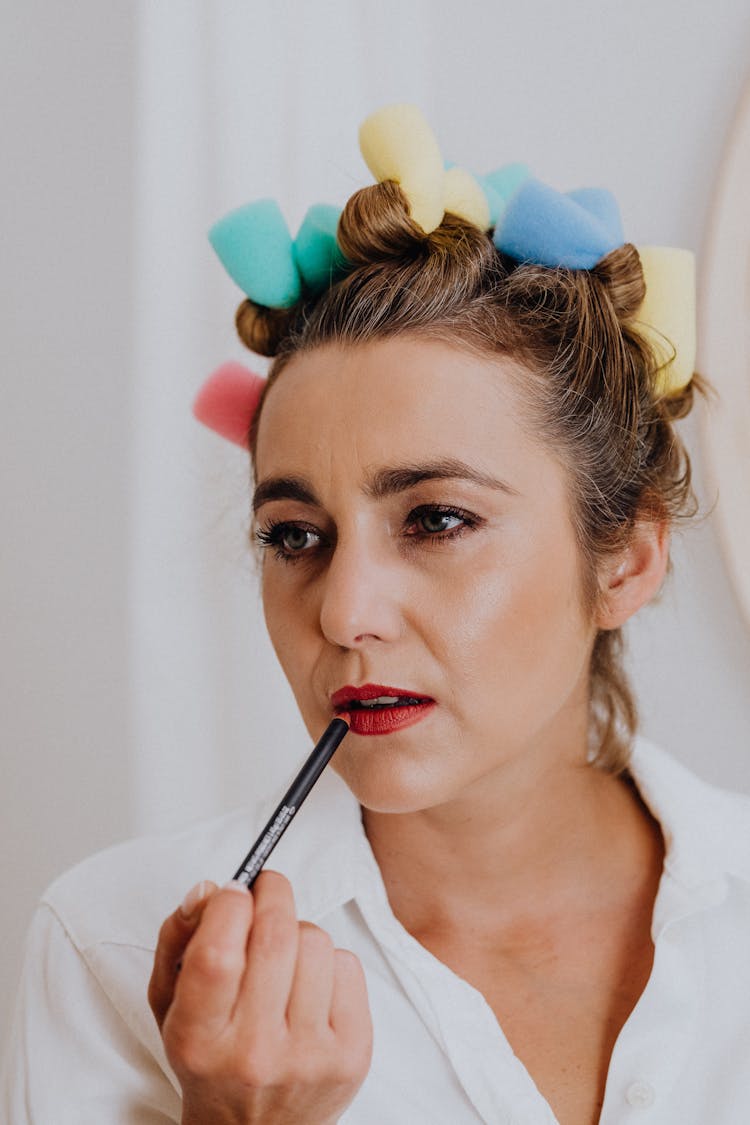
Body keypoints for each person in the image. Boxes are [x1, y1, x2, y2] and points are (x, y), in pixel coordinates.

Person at [3, 104, 749, 1125]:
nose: (346, 614)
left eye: (437, 520)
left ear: (626, 558)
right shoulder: (112, 946)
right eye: (297, 536)